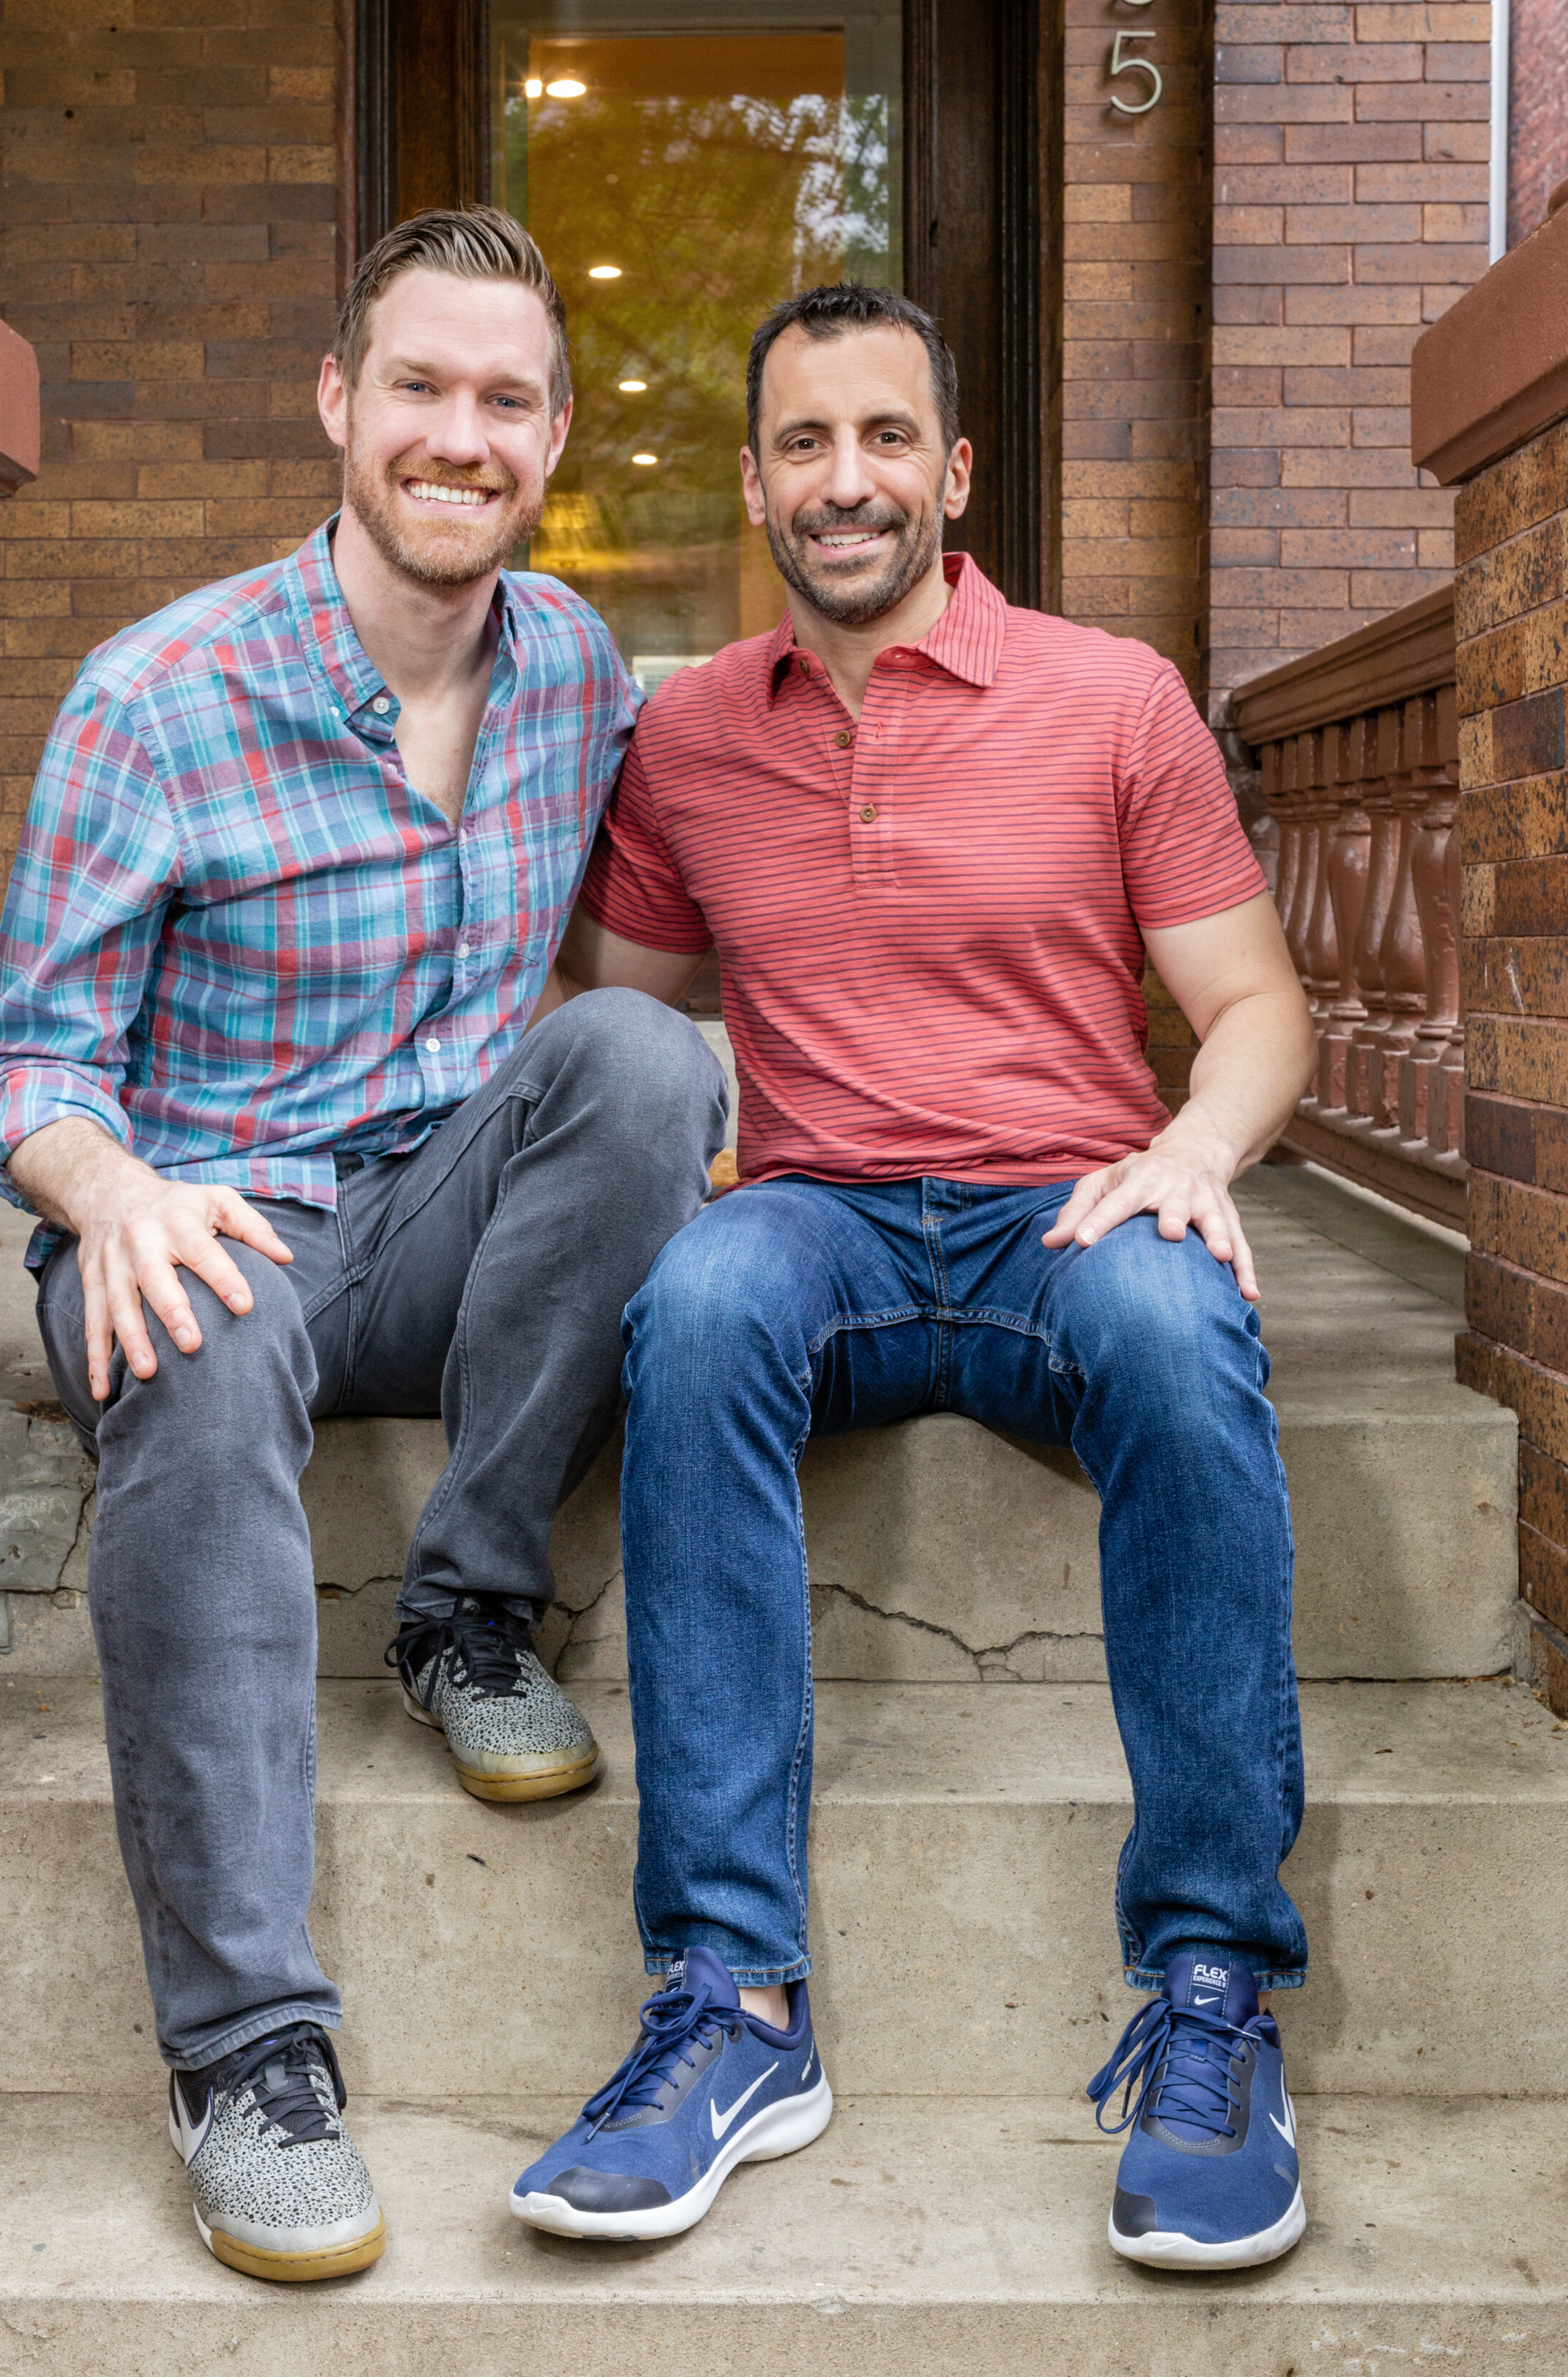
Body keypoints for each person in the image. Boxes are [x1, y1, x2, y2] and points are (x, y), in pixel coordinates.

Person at [508, 283, 1317, 2271]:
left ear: (952, 476)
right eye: (802, 442)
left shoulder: (1111, 696)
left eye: (884, 438)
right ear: (758, 482)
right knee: (696, 1308)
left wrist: (1189, 1158)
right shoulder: (689, 735)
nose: (842, 479)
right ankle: (731, 2004)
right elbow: (616, 1026)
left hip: (1068, 1210)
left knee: (1172, 1323)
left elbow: (1255, 1009)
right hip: (822, 1217)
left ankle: (1214, 1988)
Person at [0, 207, 726, 2284]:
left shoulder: (571, 664)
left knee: (647, 1065)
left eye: (502, 400)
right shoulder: (161, 695)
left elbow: (779, 760)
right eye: (418, 387)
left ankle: (463, 1614)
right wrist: (110, 1196)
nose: (456, 436)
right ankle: (244, 2052)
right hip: (209, 1218)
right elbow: (24, 1060)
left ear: (550, 434)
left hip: (434, 1223)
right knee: (200, 1352)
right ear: (337, 402)